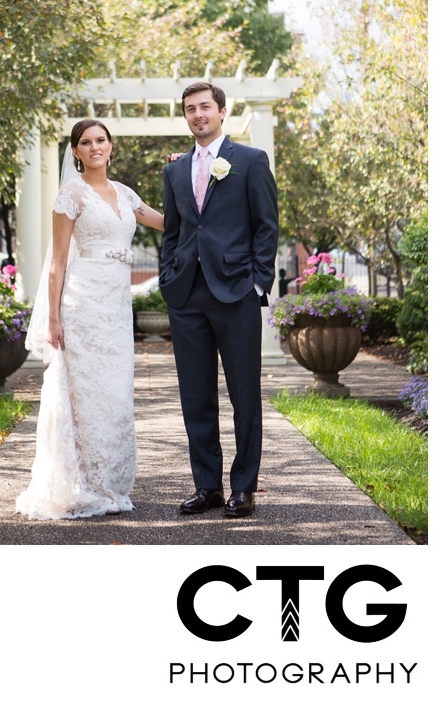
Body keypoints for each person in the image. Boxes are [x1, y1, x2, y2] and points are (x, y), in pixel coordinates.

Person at [15, 118, 165, 520]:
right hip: (81, 303)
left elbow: (171, 223)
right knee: (83, 394)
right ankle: (80, 482)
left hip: (116, 305)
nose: (95, 146)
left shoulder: (126, 193)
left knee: (115, 392)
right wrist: (53, 321)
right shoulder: (70, 196)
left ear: (111, 146)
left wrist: (191, 179)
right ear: (76, 152)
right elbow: (57, 263)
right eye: (86, 142)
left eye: (101, 140)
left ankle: (111, 481)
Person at [159, 81, 278, 519]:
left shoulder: (249, 161)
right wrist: (169, 278)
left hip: (237, 293)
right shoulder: (174, 171)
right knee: (196, 397)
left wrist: (257, 283)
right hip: (187, 294)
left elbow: (267, 227)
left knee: (245, 395)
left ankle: (243, 488)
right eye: (190, 109)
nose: (197, 115)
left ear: (222, 111)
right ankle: (206, 486)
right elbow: (173, 233)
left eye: (205, 107)